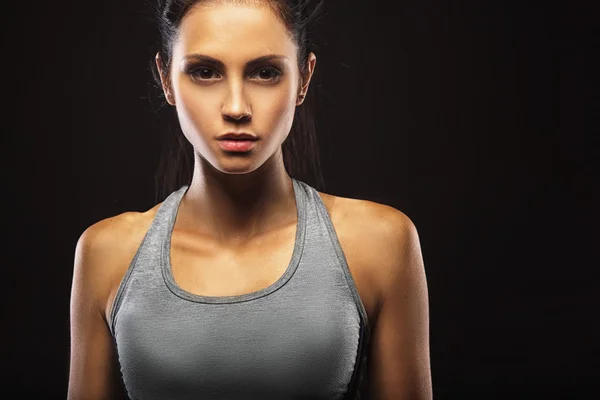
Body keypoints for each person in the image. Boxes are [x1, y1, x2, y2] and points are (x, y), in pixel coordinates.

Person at [68, 0, 432, 399]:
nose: (237, 108)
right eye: (205, 72)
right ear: (166, 79)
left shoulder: (380, 244)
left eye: (265, 72)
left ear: (304, 79)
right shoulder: (107, 254)